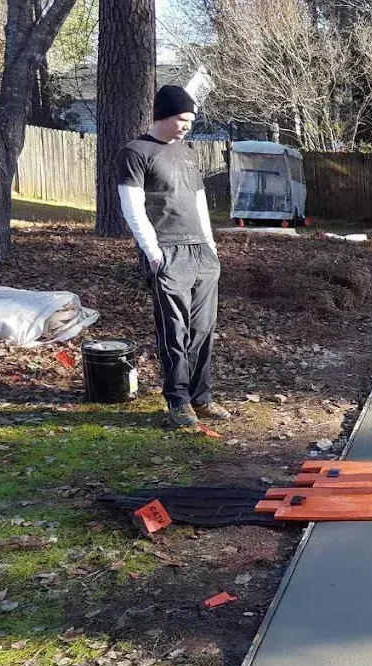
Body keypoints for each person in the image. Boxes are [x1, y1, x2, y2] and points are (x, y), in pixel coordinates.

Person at [115, 85, 230, 429]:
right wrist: (152, 253)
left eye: (190, 120)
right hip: (168, 251)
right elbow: (132, 208)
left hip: (201, 252)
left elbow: (198, 202)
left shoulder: (186, 151)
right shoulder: (135, 152)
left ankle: (202, 398)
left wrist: (210, 247)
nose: (186, 126)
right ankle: (178, 401)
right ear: (163, 114)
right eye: (182, 119)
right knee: (174, 329)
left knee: (202, 329)